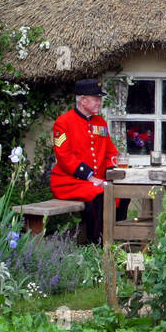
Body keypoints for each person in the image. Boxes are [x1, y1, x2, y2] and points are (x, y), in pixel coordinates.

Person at [50, 78, 127, 245]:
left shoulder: (100, 122)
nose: (99, 103)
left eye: (100, 99)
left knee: (123, 192)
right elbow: (64, 156)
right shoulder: (63, 122)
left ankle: (119, 238)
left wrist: (114, 169)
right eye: (96, 99)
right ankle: (97, 242)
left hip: (96, 180)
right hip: (69, 181)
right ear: (83, 100)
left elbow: (110, 152)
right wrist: (90, 177)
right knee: (98, 194)